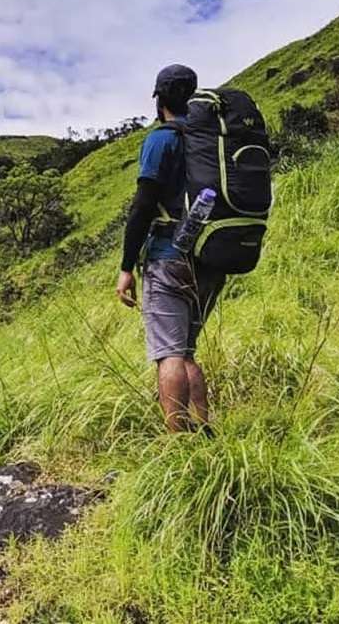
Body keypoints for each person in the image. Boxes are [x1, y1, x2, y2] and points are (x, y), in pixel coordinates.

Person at [115, 64, 227, 433]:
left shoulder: (161, 139)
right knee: (187, 350)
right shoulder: (210, 139)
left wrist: (127, 266)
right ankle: (203, 429)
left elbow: (143, 205)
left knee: (169, 354)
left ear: (159, 98)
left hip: (168, 257)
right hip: (211, 258)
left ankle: (179, 445)